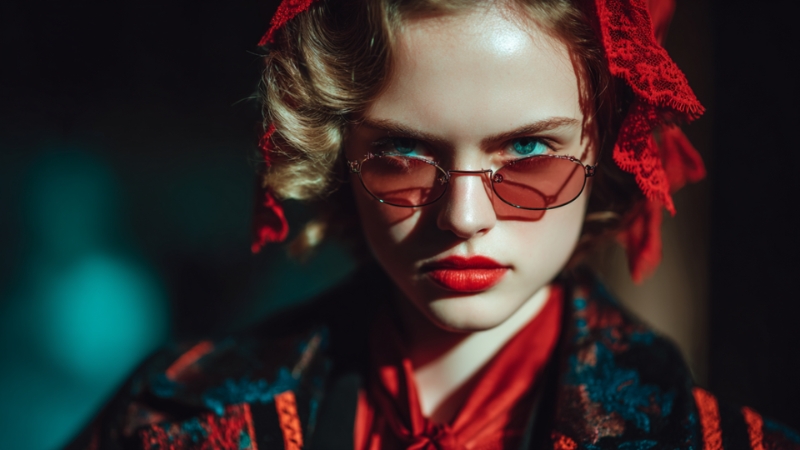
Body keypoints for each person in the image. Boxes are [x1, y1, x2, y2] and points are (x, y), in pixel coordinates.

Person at [66, 0, 800, 448]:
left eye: (528, 152)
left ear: (608, 143)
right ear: (337, 148)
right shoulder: (172, 419)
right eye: (403, 155)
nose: (463, 217)